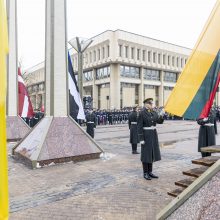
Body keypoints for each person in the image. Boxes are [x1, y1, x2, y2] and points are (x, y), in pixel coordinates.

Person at [138, 98, 164, 180]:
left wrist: (162, 115)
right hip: (146, 135)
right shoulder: (142, 113)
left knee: (152, 153)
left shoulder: (153, 112)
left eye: (152, 103)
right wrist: (141, 138)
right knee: (146, 154)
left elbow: (159, 121)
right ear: (145, 104)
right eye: (150, 103)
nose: (151, 105)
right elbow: (139, 127)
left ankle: (150, 172)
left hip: (153, 134)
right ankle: (145, 173)